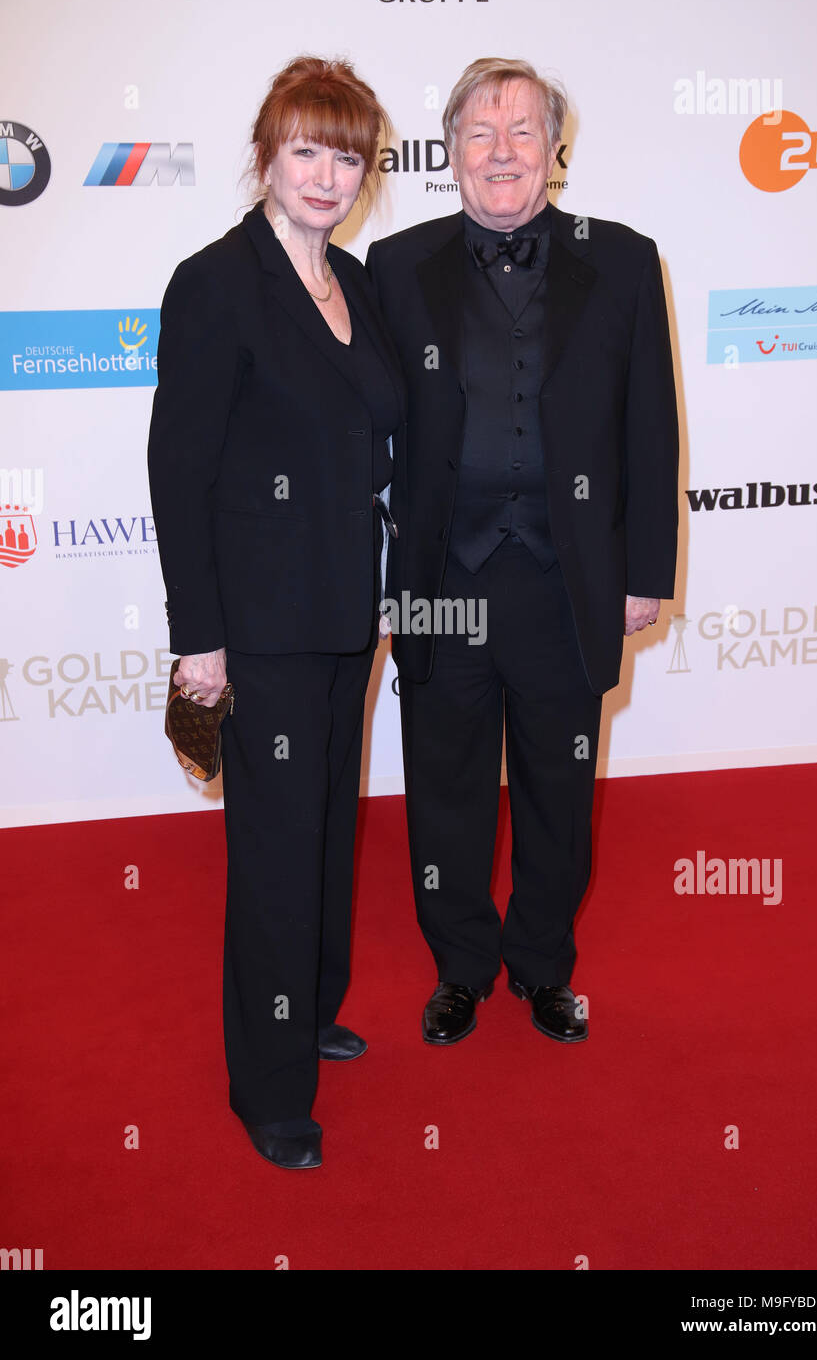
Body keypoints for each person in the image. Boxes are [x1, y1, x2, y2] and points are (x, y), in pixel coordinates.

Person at [367, 58, 678, 1047]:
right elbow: (357, 424)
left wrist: (643, 573)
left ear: (555, 149)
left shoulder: (623, 261)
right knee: (444, 789)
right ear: (448, 152)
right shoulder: (393, 264)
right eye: (478, 134)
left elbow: (650, 431)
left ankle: (542, 964)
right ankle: (459, 965)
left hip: (565, 579)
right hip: (438, 581)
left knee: (558, 787)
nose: (500, 153)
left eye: (521, 132)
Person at [147, 57, 403, 1168]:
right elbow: (178, 470)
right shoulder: (214, 283)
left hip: (352, 611)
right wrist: (197, 638)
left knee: (331, 832)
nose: (327, 173)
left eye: (346, 154)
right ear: (265, 154)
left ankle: (312, 1004)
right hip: (258, 622)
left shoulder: (354, 279)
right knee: (273, 850)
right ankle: (268, 1085)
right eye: (307, 148)